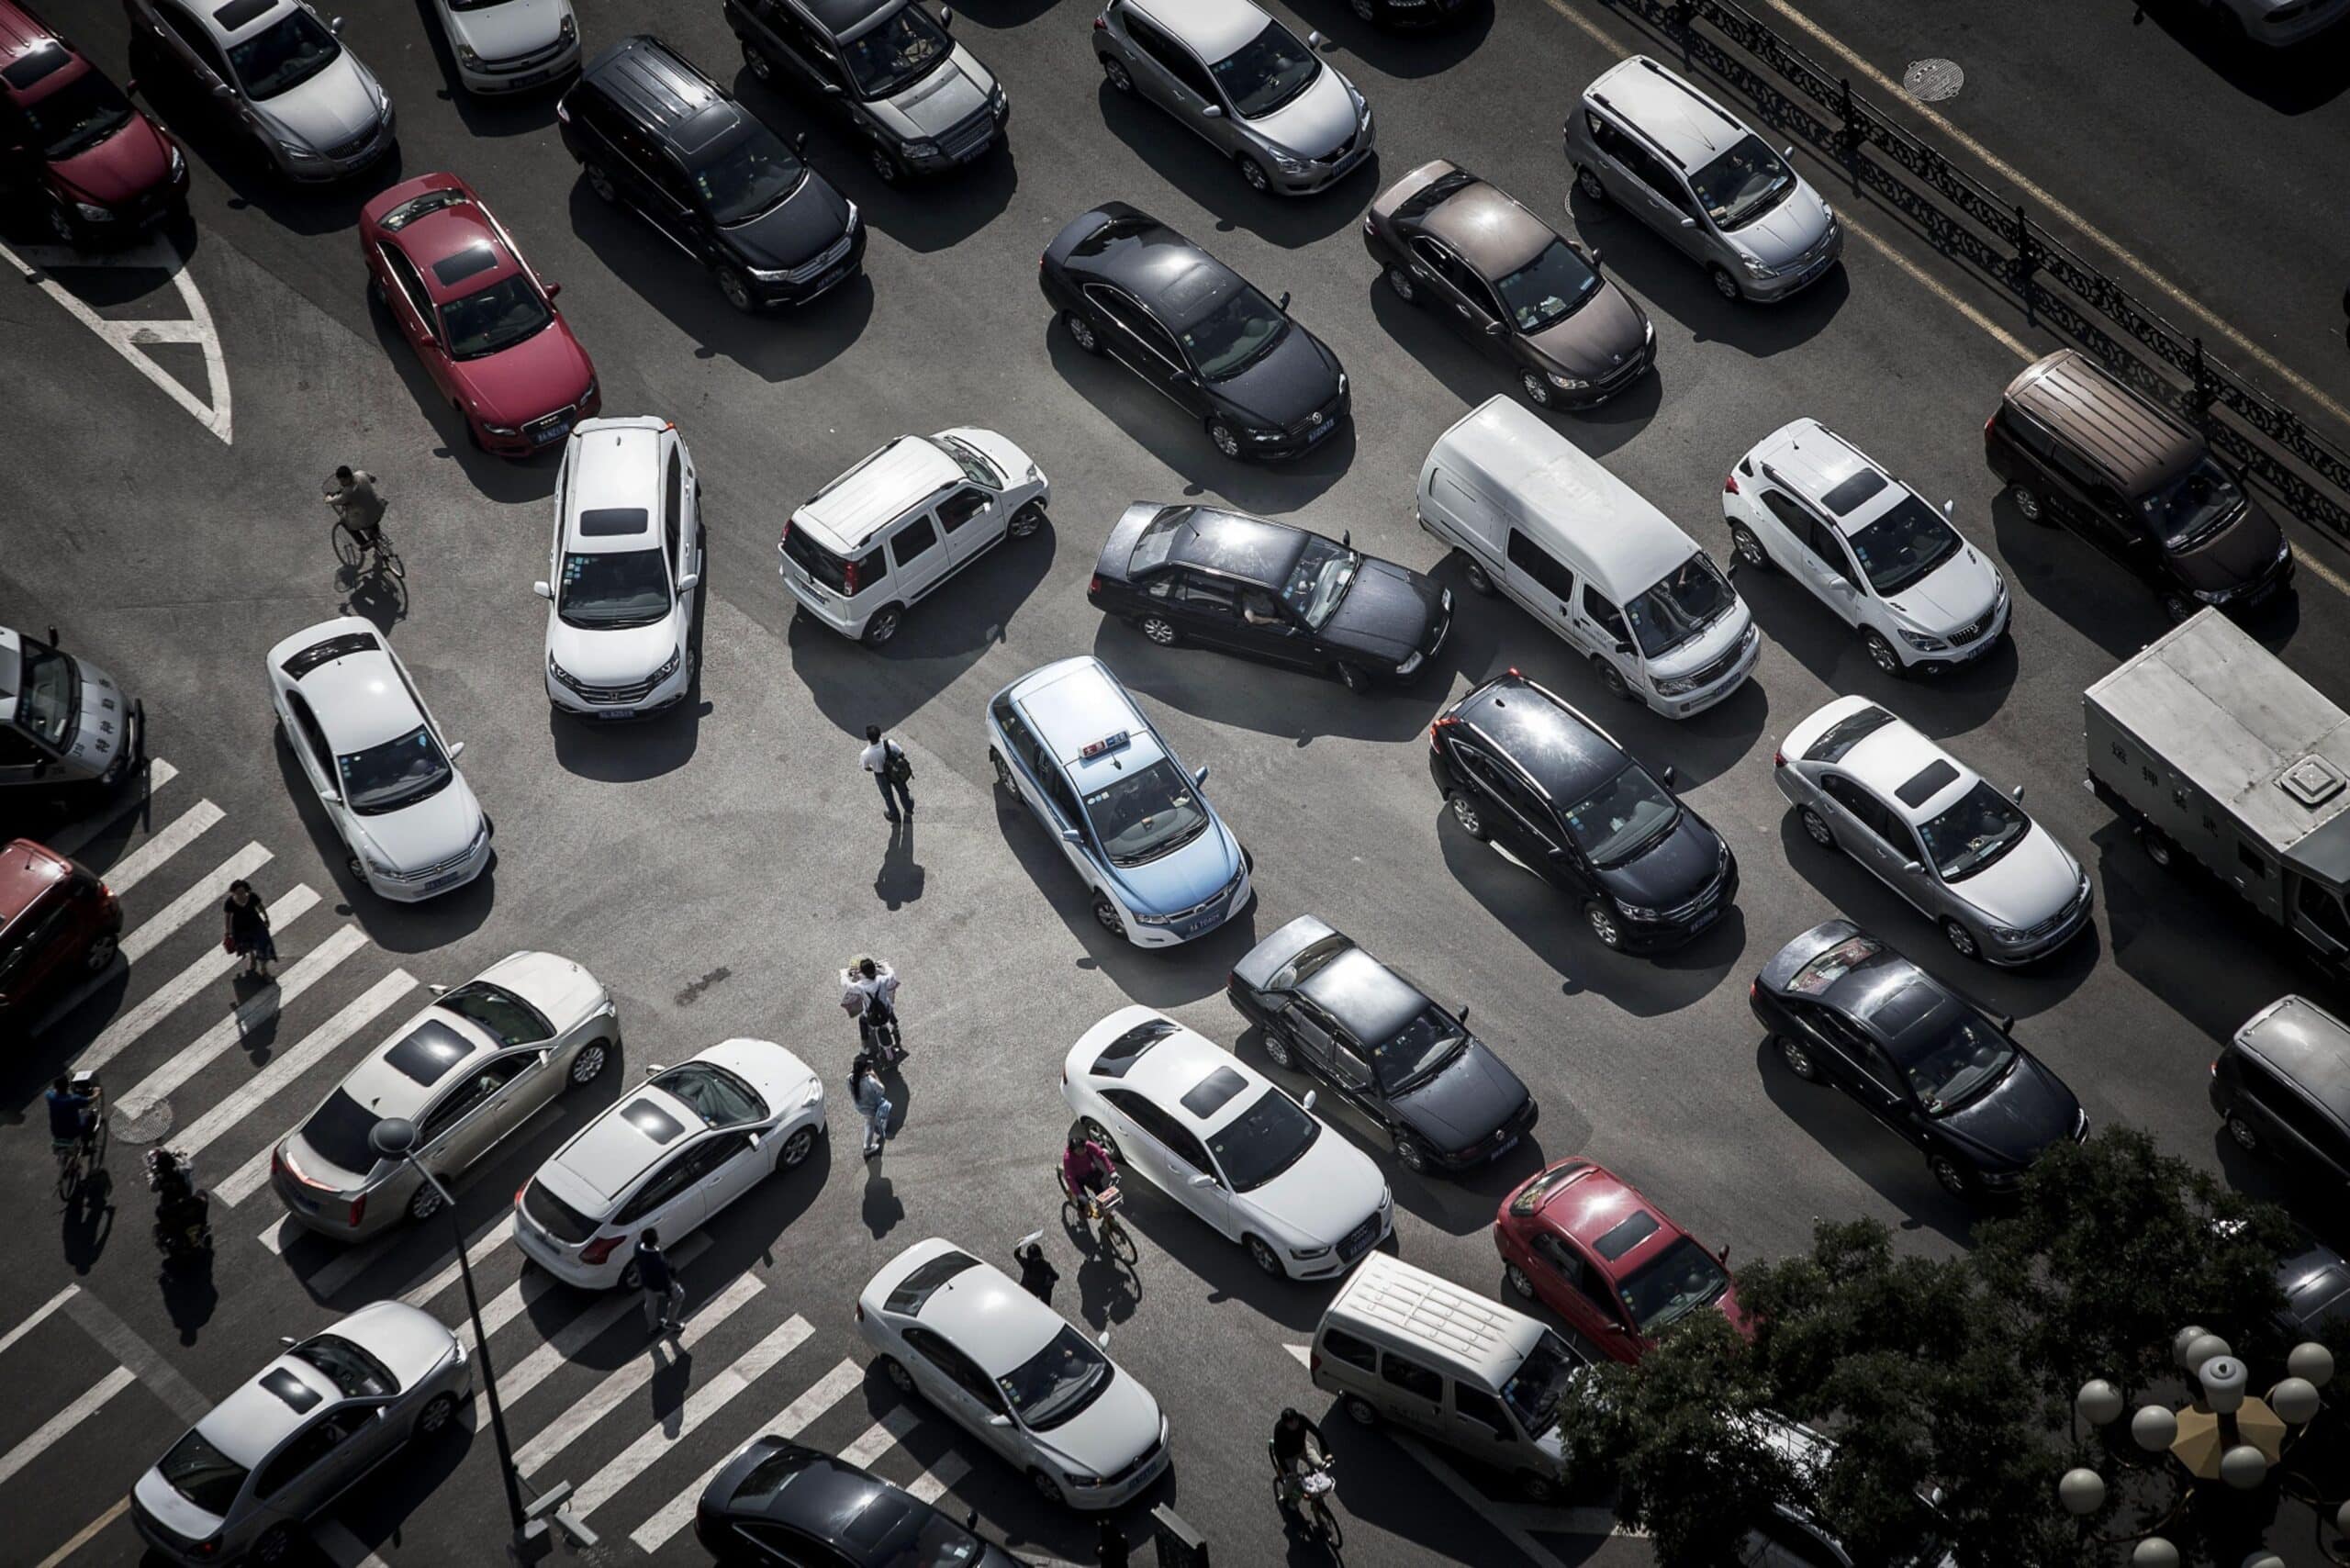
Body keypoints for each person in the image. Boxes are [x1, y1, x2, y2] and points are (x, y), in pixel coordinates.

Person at [839, 955, 903, 1065]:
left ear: (863, 973)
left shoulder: (861, 986)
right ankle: (895, 1026)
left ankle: (865, 1046)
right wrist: (885, 966)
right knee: (889, 1007)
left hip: (871, 1015)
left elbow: (847, 985)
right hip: (885, 1012)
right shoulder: (882, 979)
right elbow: (892, 974)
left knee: (862, 1020)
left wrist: (844, 974)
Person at [1271, 1406, 1329, 1506]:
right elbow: (1278, 1453)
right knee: (1292, 1482)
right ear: (1286, 1424)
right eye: (1291, 1423)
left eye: (1295, 1421)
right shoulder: (1279, 1429)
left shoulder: (1302, 1419)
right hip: (1288, 1456)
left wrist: (1327, 1453)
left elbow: (1317, 1432)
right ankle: (1286, 1497)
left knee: (1319, 1464)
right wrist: (1288, 1472)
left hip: (1303, 1448)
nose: (1295, 1424)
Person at [633, 1228, 686, 1338]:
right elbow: (665, 1279)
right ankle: (670, 1322)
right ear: (656, 1240)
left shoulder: (637, 1246)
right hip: (660, 1286)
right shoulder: (657, 1260)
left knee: (650, 1305)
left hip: (647, 1283)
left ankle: (653, 1327)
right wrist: (669, 1292)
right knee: (679, 1296)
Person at [221, 879, 275, 980]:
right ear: (233, 893)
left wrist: (266, 917)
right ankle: (252, 957)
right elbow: (228, 917)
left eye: (242, 892)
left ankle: (264, 970)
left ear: (247, 891)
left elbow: (260, 907)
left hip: (257, 926)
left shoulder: (252, 897)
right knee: (248, 946)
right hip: (240, 929)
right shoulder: (230, 903)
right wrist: (227, 932)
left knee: (263, 947)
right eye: (238, 893)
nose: (241, 895)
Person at [861, 724, 914, 823]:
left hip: (880, 776)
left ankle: (894, 817)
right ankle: (908, 808)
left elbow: (866, 767)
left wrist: (875, 768)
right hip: (894, 772)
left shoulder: (866, 754)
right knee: (902, 790)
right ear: (880, 734)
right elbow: (901, 754)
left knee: (888, 796)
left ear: (868, 738)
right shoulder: (889, 743)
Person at [325, 465, 386, 550]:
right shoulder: (361, 474)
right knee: (371, 513)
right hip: (380, 507)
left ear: (349, 477)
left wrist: (328, 498)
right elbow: (373, 479)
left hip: (367, 519)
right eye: (340, 481)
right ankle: (376, 532)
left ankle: (364, 543)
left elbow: (335, 501)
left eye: (343, 480)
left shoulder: (348, 492)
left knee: (343, 520)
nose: (341, 483)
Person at [1061, 1130, 1116, 1212]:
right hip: (1078, 1178)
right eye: (1079, 1151)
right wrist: (1079, 1194)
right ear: (1073, 1151)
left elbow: (1102, 1154)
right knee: (1083, 1202)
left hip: (1090, 1172)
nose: (1082, 1152)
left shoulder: (1088, 1145)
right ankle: (1082, 1212)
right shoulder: (1068, 1158)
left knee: (1103, 1196)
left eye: (1083, 1149)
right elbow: (1069, 1177)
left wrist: (1112, 1171)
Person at [851, 1059, 892, 1159]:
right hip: (871, 1107)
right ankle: (868, 1148)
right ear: (864, 1070)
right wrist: (874, 1076)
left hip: (860, 1106)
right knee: (870, 1125)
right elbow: (882, 1089)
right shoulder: (869, 1081)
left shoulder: (850, 1079)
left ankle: (878, 1124)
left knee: (869, 1123)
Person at [46, 1074, 95, 1148]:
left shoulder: (50, 1096)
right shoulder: (74, 1099)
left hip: (56, 1132)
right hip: (73, 1132)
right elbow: (89, 1101)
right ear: (67, 1086)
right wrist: (97, 1092)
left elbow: (50, 1092)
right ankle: (86, 1146)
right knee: (90, 1116)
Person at [1013, 1235, 1059, 1305]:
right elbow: (1056, 1277)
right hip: (1040, 1290)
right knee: (1046, 1303)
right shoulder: (1045, 1266)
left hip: (1026, 1288)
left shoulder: (1026, 1264)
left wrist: (1020, 1245)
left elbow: (1016, 1255)